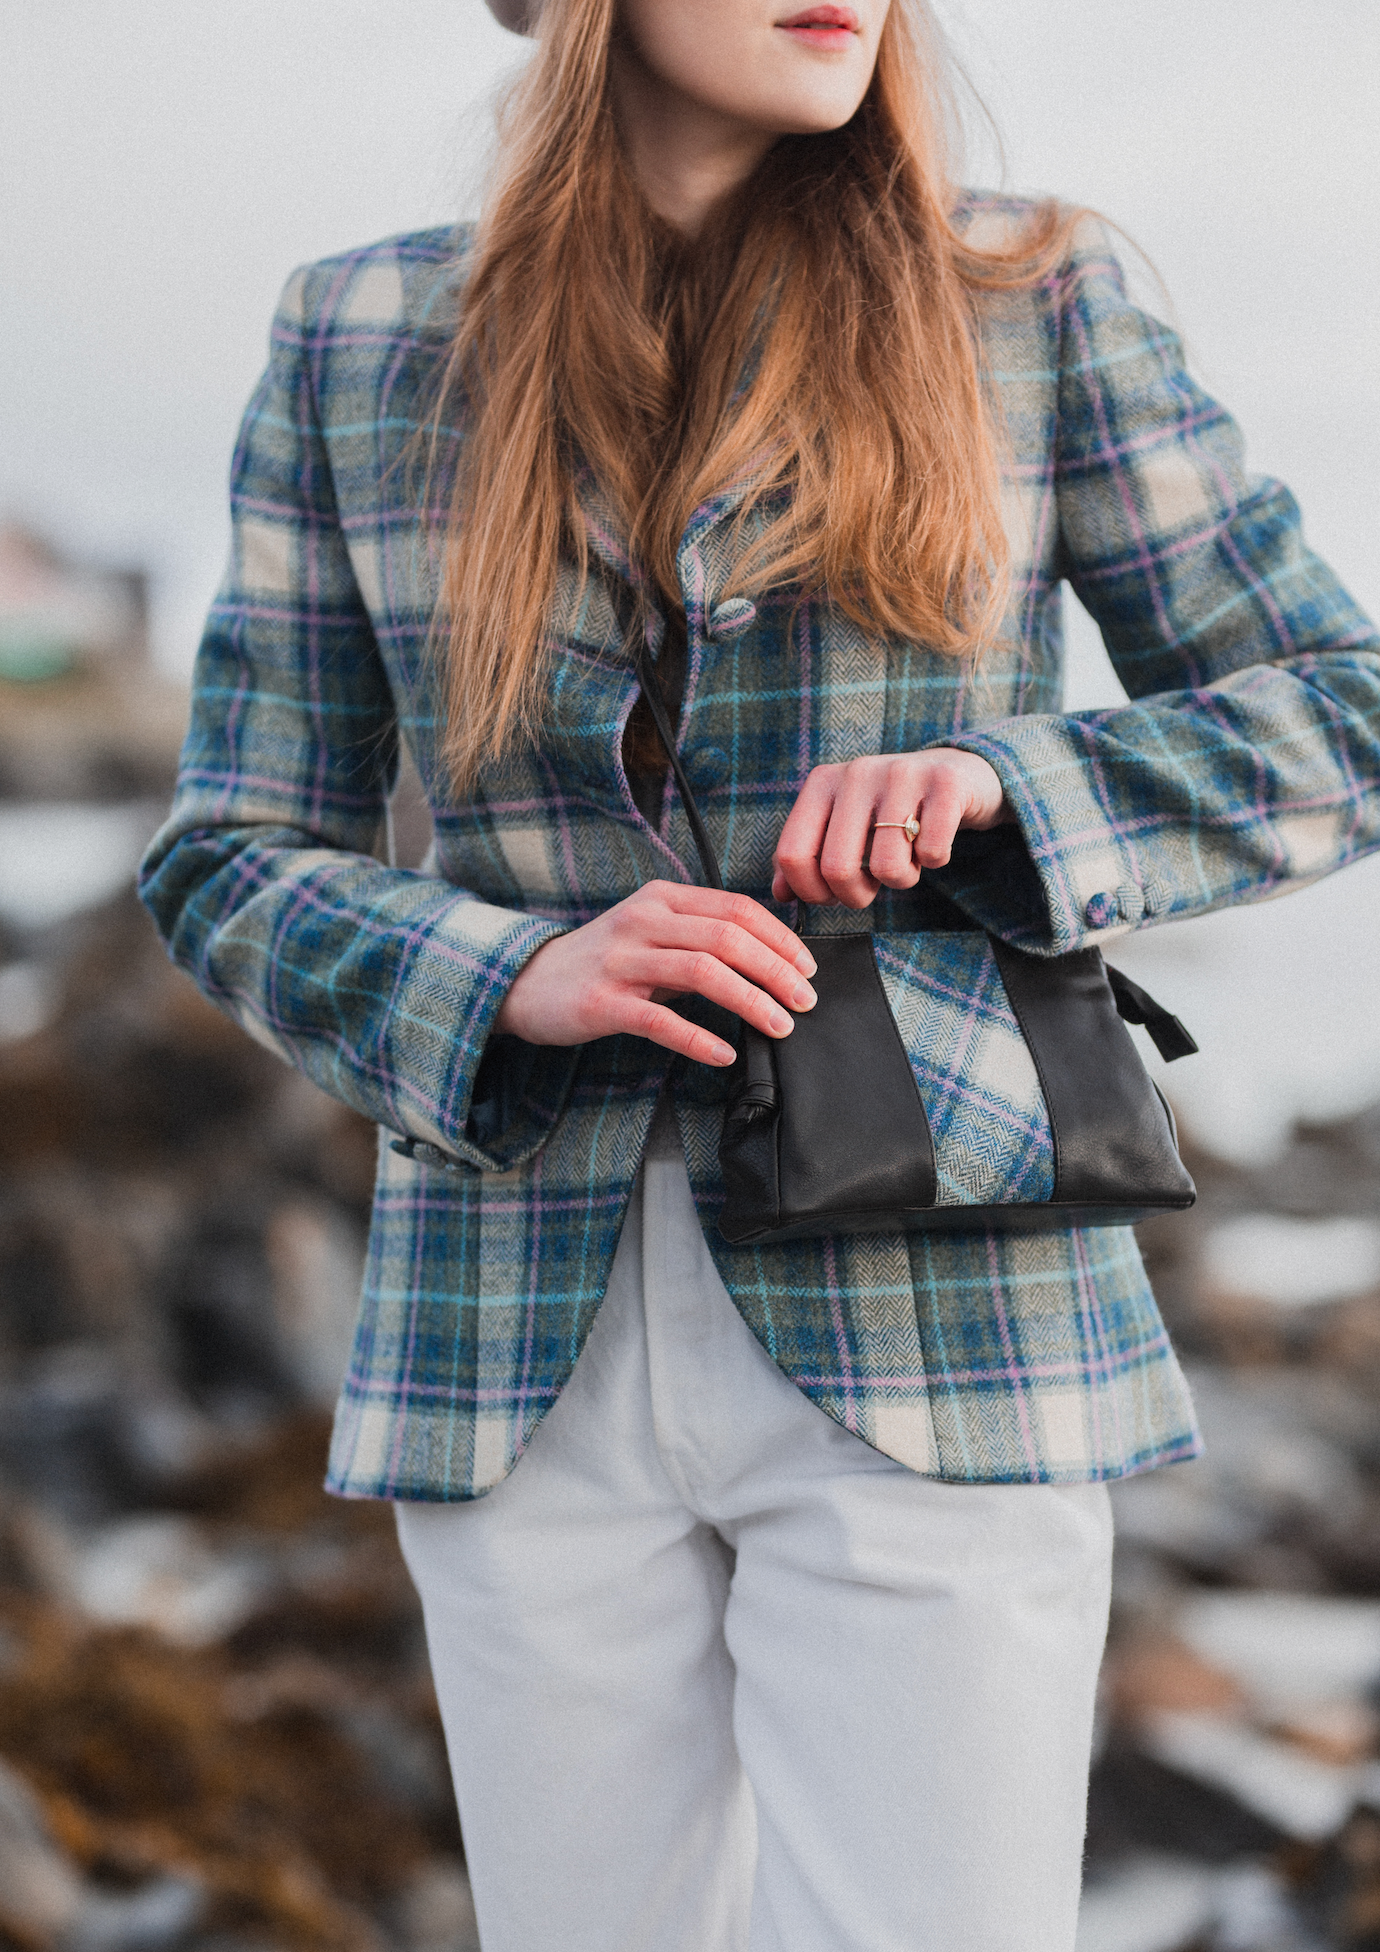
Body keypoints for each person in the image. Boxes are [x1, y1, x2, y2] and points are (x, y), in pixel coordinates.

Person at [139, 0, 1380, 1945]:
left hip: (951, 1310)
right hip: (508, 1335)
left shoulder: (1034, 298)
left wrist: (1009, 780)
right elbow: (225, 853)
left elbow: (1342, 716)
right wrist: (503, 974)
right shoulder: (359, 338)